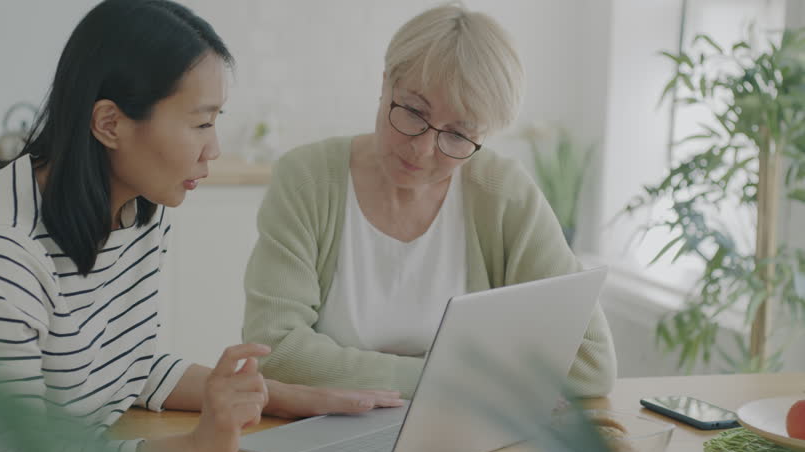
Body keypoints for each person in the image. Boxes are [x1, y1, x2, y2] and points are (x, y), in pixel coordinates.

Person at [0, 1, 402, 452]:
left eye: (216, 120)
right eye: (200, 122)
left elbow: (126, 364)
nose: (214, 149)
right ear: (109, 123)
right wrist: (192, 449)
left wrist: (284, 397)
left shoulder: (135, 210)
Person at [243, 4, 617, 400]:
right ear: (385, 83)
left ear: (483, 136)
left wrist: (356, 372)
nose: (421, 149)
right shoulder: (308, 178)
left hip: (459, 439)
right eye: (413, 111)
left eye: (457, 135)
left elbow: (588, 365)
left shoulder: (503, 194)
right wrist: (453, 381)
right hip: (319, 432)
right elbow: (275, 351)